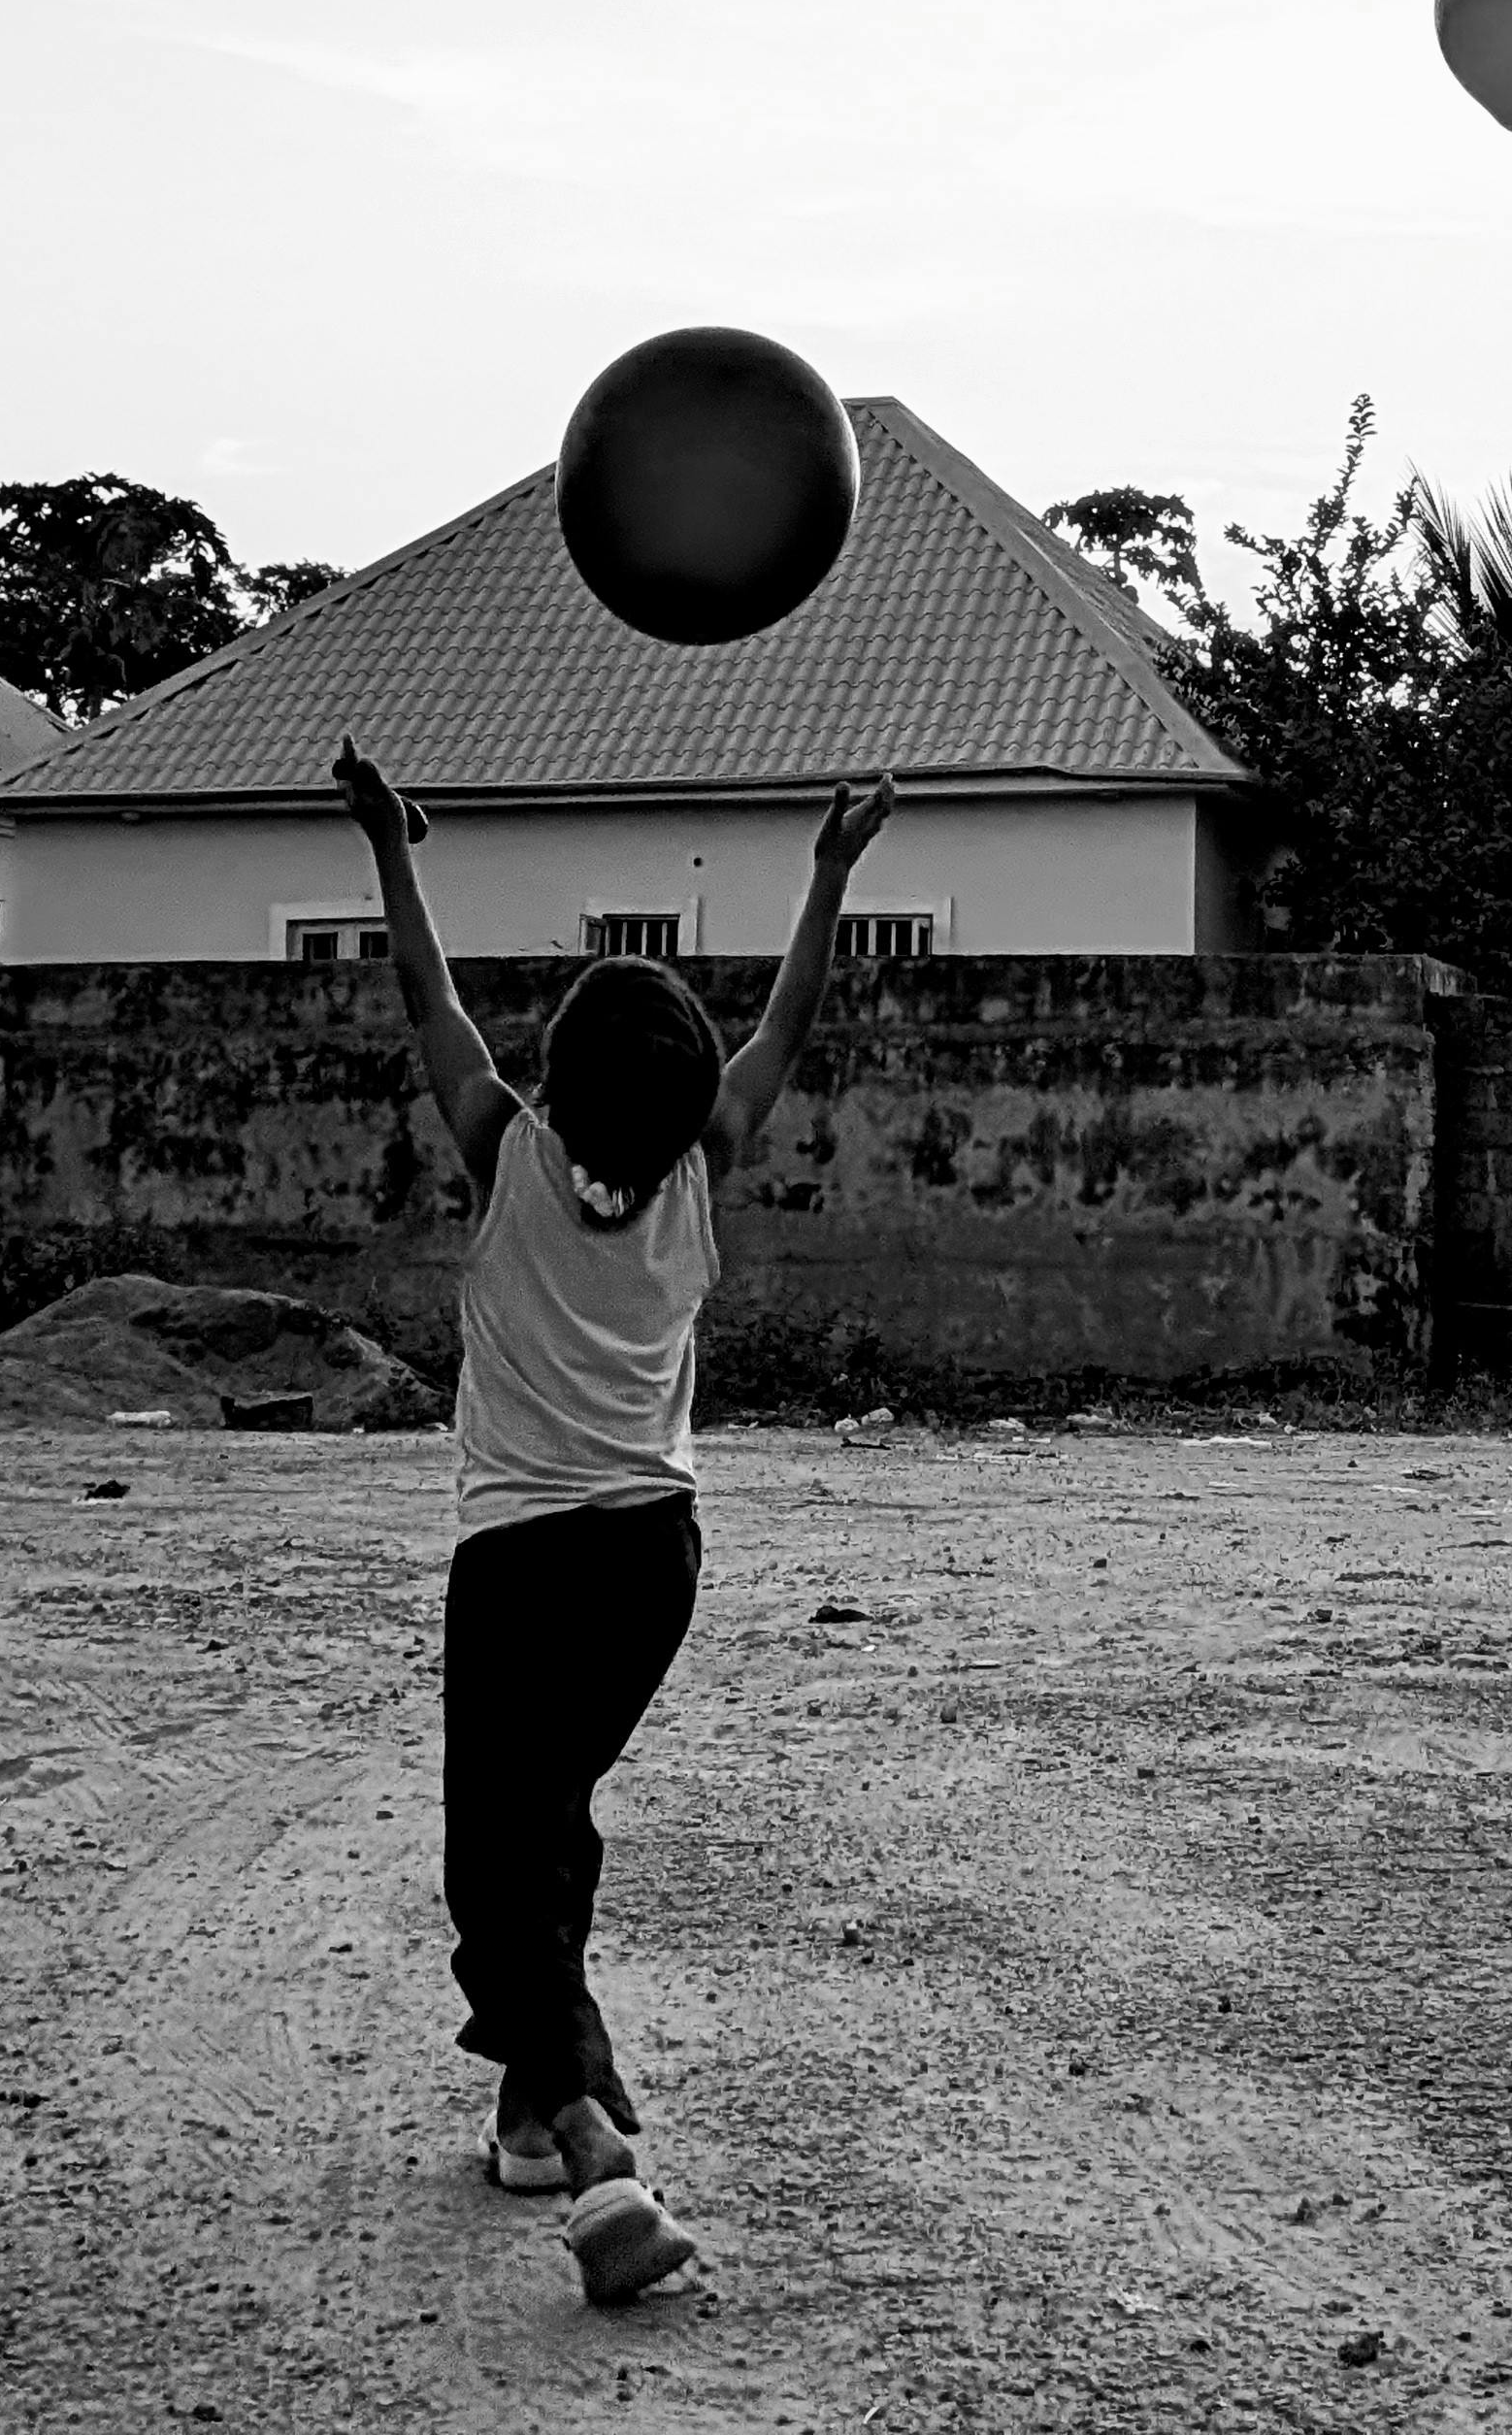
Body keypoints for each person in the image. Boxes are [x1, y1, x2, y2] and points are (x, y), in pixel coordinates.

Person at [332, 738, 898, 2304]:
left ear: (551, 1085)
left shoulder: (503, 1155)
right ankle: (527, 2116)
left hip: (516, 1562)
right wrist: (829, 871)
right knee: (549, 1823)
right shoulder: (702, 1169)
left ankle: (594, 2141)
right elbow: (787, 1024)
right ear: (685, 1108)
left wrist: (391, 844)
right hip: (652, 1564)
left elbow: (423, 996)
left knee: (489, 1869)